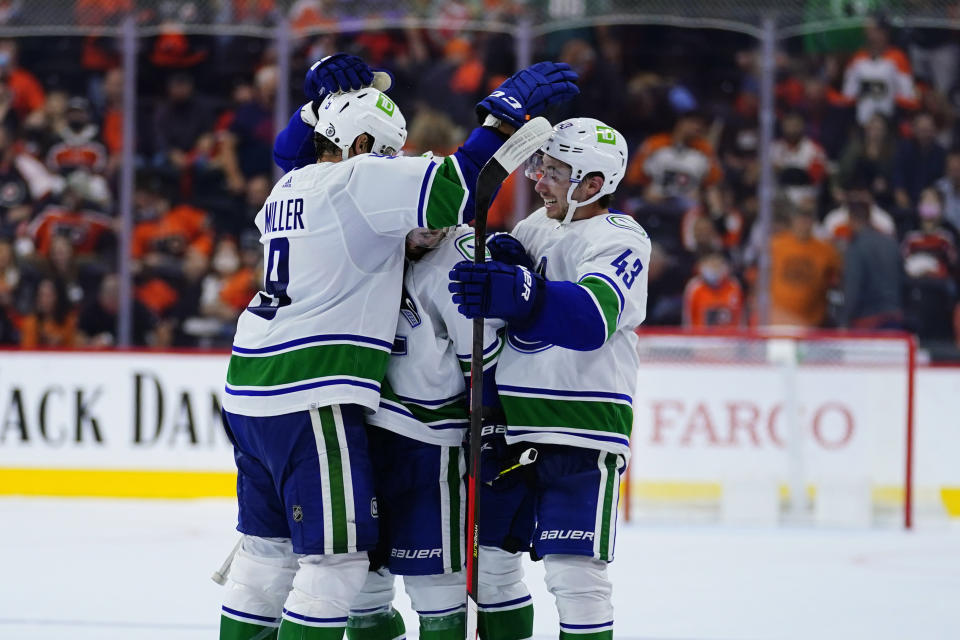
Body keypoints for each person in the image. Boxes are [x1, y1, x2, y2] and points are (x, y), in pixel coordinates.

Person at [218, 54, 578, 640]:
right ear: (361, 144)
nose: (393, 167)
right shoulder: (357, 181)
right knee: (335, 565)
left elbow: (295, 148)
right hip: (309, 390)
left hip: (249, 386)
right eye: (388, 153)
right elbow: (457, 188)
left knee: (265, 554)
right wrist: (505, 112)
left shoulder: (291, 184)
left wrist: (314, 104)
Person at [449, 118, 649, 640]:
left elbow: (591, 321)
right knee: (490, 569)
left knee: (574, 575)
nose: (539, 180)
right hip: (511, 428)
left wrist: (525, 290)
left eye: (555, 171)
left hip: (582, 432)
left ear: (593, 185)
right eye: (540, 166)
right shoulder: (535, 227)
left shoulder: (621, 238)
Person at [770, 203, 842, 327]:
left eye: (808, 217)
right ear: (793, 219)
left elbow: (839, 278)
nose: (804, 221)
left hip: (811, 325)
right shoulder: (776, 245)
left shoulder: (826, 250)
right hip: (778, 323)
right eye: (800, 216)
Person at [841, 194, 904, 329]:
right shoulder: (891, 243)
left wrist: (844, 322)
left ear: (851, 219)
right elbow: (903, 279)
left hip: (867, 321)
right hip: (895, 317)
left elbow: (853, 288)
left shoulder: (856, 247)